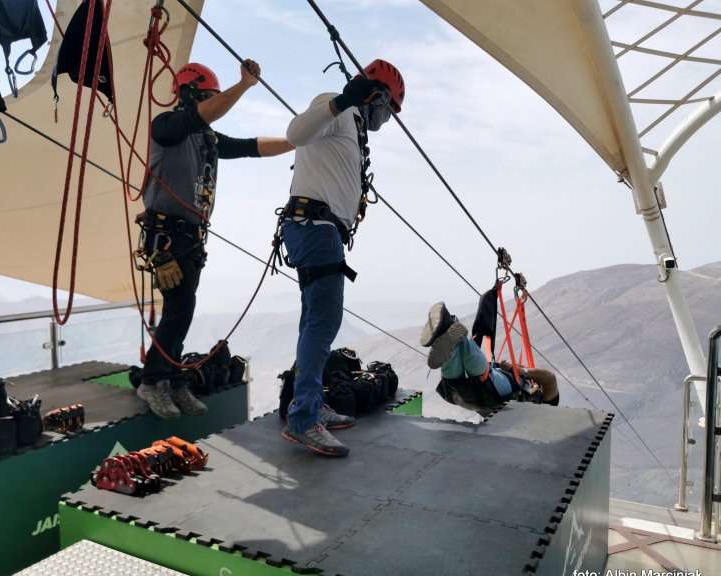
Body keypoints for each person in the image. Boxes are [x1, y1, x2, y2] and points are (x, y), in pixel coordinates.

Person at [136, 60, 294, 419]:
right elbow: (203, 116)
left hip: (188, 238)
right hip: (167, 237)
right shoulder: (167, 127)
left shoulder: (204, 138)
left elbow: (250, 146)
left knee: (183, 308)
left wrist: (294, 141)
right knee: (179, 308)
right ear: (190, 96)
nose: (213, 106)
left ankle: (171, 378)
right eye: (207, 98)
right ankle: (154, 380)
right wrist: (244, 86)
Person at [279, 59, 406, 457]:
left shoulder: (351, 125)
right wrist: (344, 100)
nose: (383, 121)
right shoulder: (336, 104)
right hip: (315, 228)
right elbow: (296, 133)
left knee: (313, 321)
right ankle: (303, 419)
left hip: (319, 229)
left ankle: (310, 405)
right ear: (377, 96)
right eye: (387, 111)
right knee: (323, 321)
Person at [421, 302, 559, 414]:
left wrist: (515, 369)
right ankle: (448, 334)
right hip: (470, 400)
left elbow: (550, 378)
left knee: (484, 376)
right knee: (456, 381)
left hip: (498, 395)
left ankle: (449, 328)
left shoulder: (543, 402)